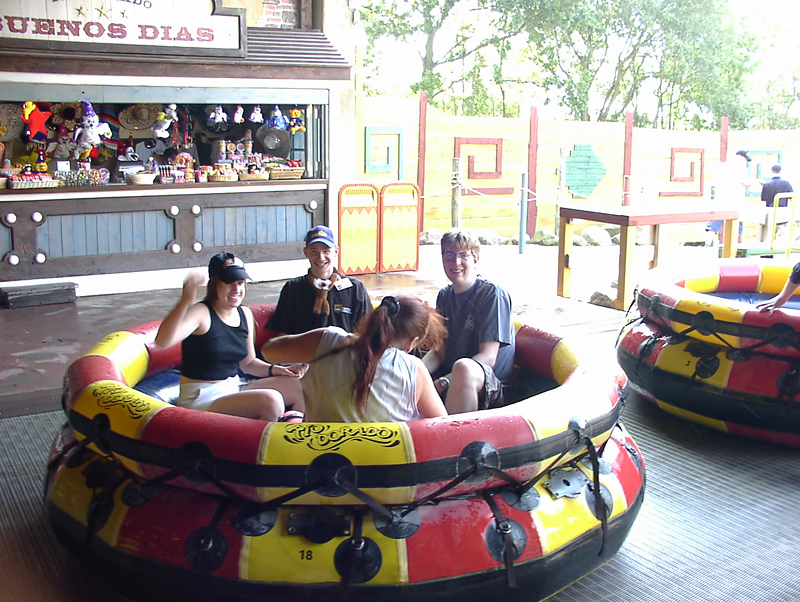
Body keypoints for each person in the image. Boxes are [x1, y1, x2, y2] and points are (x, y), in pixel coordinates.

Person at [153, 252, 307, 421]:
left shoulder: (245, 314)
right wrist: (186, 300)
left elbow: (248, 364)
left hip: (233, 386)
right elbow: (162, 342)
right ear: (214, 284)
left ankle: (297, 431)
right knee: (271, 400)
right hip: (201, 395)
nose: (236, 290)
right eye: (229, 283)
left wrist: (279, 370)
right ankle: (268, 438)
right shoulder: (201, 312)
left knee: (301, 384)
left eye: (240, 283)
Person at [261, 295, 447, 422]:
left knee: (293, 416)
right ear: (411, 343)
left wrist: (309, 353)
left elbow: (268, 351)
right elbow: (441, 425)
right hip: (380, 464)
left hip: (319, 459)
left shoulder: (327, 340)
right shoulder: (415, 369)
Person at [422, 228, 516, 414]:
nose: (456, 262)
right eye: (449, 255)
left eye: (463, 255)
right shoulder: (444, 295)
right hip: (452, 375)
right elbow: (439, 353)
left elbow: (488, 357)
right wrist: (414, 375)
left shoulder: (492, 294)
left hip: (491, 385)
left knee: (463, 368)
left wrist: (443, 382)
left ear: (475, 259)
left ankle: (454, 431)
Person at [266, 225, 372, 335]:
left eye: (326, 251)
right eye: (314, 252)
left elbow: (366, 332)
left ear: (336, 251)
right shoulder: (292, 288)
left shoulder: (355, 289)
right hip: (304, 346)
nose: (321, 257)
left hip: (345, 346)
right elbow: (282, 333)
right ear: (306, 252)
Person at [706, 150, 757, 245]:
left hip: (720, 200)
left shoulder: (723, 166)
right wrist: (758, 181)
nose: (745, 161)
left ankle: (707, 244)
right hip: (734, 201)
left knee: (714, 225)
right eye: (745, 159)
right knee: (738, 226)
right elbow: (745, 182)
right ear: (740, 157)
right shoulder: (740, 168)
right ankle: (739, 247)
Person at [760, 164, 794, 238]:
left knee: (770, 233)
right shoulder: (786, 183)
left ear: (772, 172)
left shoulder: (767, 184)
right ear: (780, 171)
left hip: (770, 211)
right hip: (783, 211)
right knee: (782, 234)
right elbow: (792, 197)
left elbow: (764, 199)